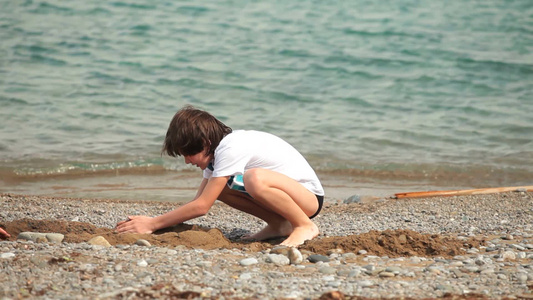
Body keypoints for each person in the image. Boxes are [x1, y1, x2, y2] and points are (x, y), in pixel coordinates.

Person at [116, 105, 325, 246]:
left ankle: (303, 226)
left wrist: (152, 224)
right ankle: (280, 225)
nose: (187, 161)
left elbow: (202, 207)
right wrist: (159, 224)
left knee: (254, 179)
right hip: (292, 197)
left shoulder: (230, 147)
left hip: (308, 198)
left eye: (189, 154)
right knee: (221, 190)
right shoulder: (216, 154)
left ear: (206, 143)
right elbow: (198, 201)